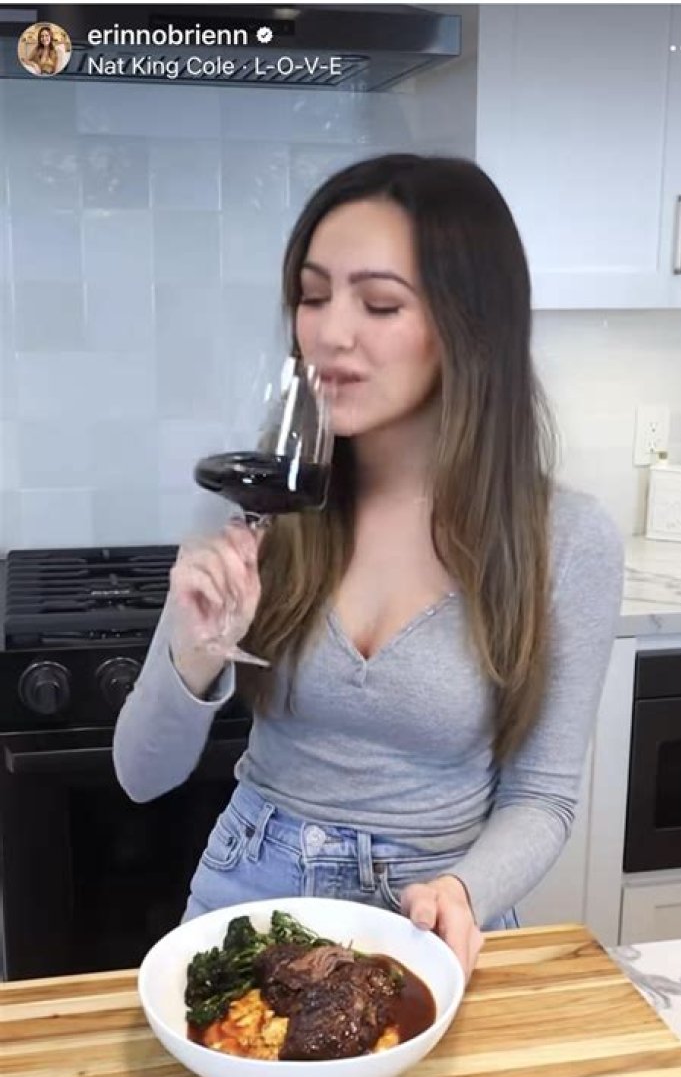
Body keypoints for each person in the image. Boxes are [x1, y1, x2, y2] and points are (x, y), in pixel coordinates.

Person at [113, 153, 624, 982]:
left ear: (470, 325)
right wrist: (196, 655)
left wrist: (464, 892)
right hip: (248, 898)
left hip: (428, 920)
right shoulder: (259, 511)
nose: (330, 332)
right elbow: (141, 775)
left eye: (379, 303)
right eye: (313, 296)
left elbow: (543, 798)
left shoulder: (565, 541)